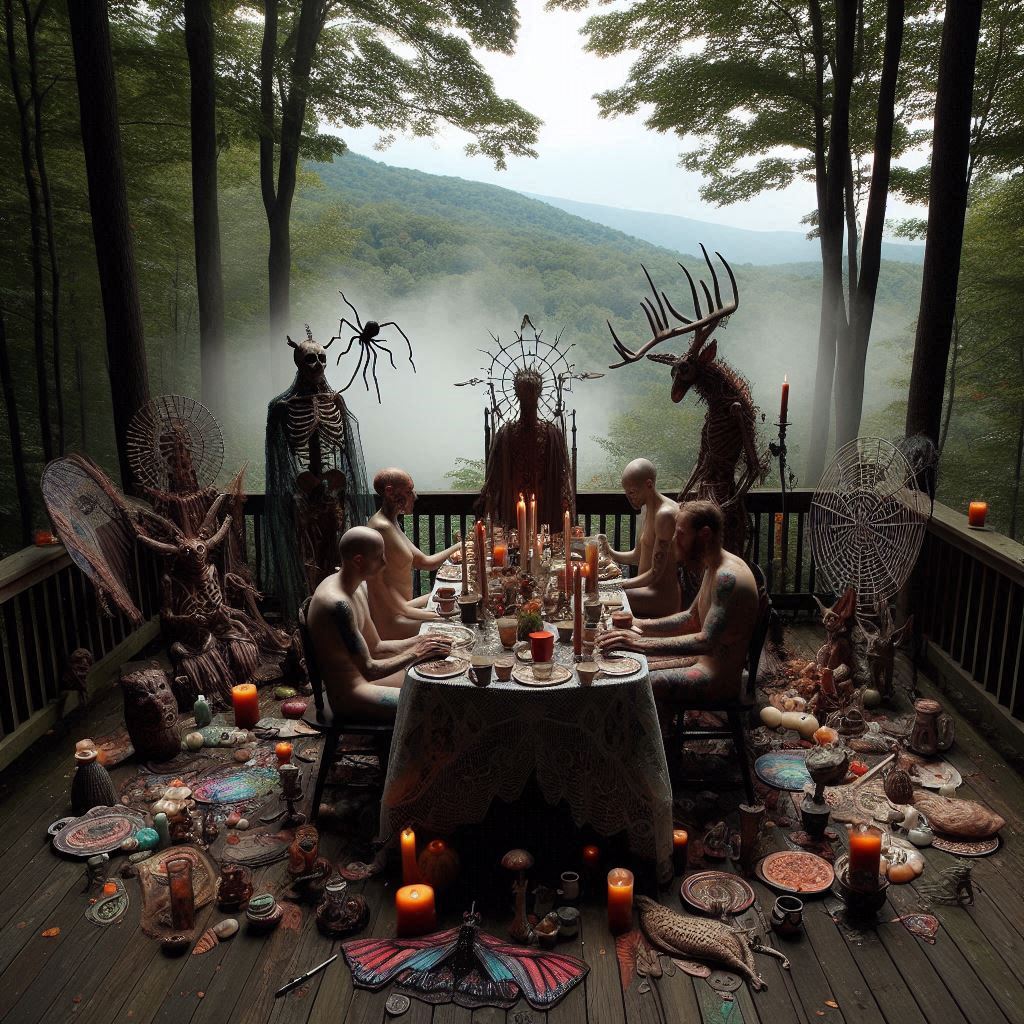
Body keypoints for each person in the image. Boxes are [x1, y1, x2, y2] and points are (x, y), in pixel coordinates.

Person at [597, 500, 758, 705]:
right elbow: (691, 618)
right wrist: (638, 624)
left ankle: (650, 736)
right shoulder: (714, 564)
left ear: (705, 534)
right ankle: (660, 732)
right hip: (702, 661)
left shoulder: (727, 578)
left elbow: (705, 642)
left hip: (718, 679)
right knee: (623, 662)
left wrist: (638, 643)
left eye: (681, 533)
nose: (674, 539)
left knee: (634, 681)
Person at [307, 527, 452, 720]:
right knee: (433, 704)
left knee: (438, 681)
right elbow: (369, 669)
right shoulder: (338, 605)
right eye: (379, 557)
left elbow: (376, 647)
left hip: (368, 679)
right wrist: (417, 652)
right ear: (359, 561)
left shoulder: (356, 587)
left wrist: (423, 639)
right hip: (352, 696)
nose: (384, 562)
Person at [366, 468, 460, 640]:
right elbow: (399, 609)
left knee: (458, 600)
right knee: (456, 626)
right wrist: (443, 616)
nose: (414, 496)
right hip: (393, 621)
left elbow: (426, 562)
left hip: (404, 608)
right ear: (389, 492)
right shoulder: (382, 528)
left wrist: (461, 545)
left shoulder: (391, 522)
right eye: (409, 491)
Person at [478, 368, 573, 528]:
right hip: (513, 513)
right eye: (525, 393)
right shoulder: (506, 434)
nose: (528, 398)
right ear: (518, 394)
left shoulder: (551, 434)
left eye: (531, 393)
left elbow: (562, 482)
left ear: (538, 394)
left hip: (545, 514)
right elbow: (494, 482)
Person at [598, 459, 681, 618]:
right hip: (643, 590)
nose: (629, 498)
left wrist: (616, 585)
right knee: (596, 593)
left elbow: (655, 573)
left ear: (649, 484)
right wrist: (609, 550)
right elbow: (637, 555)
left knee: (599, 598)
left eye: (632, 492)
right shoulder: (646, 509)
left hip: (661, 598)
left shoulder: (665, 515)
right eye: (626, 493)